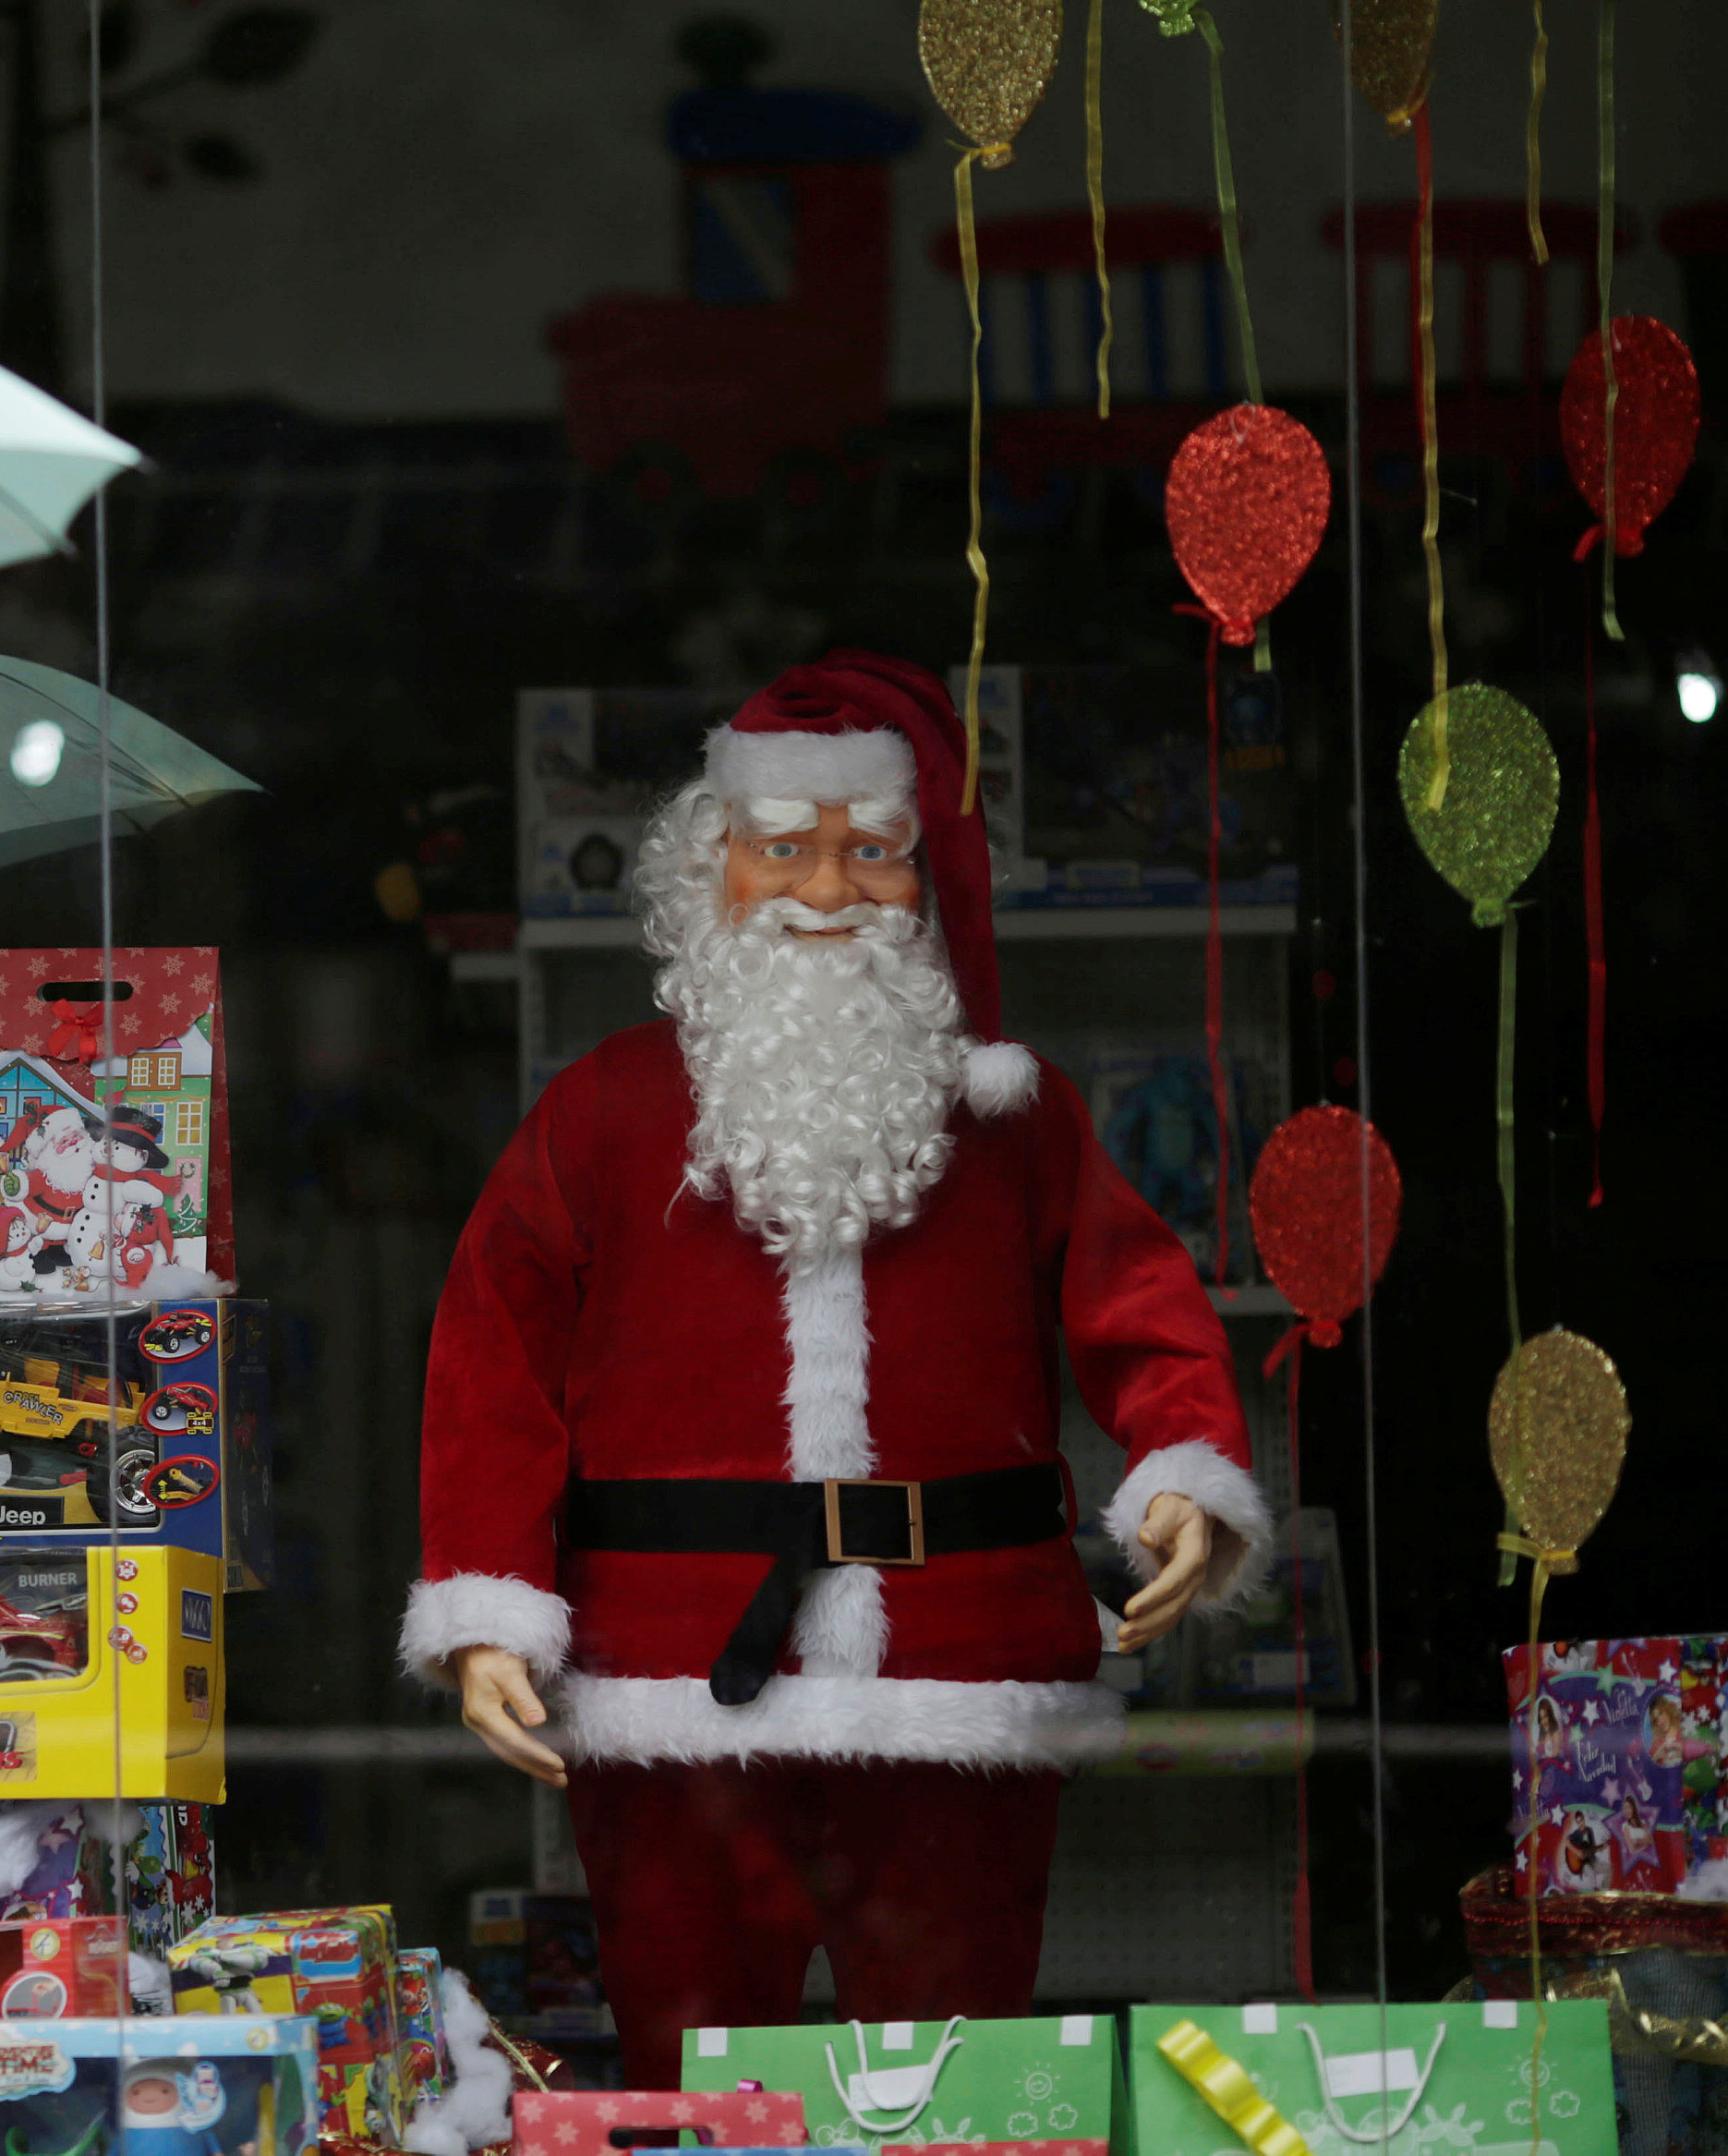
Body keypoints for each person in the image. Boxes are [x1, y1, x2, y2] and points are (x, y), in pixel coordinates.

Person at [401, 653, 1272, 2089]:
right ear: (713, 868)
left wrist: (1183, 1467)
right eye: (783, 845)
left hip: (958, 1673)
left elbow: (1136, 1297)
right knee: (691, 2074)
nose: (824, 885)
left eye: (871, 851)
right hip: (677, 1679)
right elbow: (492, 1355)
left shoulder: (1017, 1116)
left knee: (961, 2083)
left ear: (927, 883)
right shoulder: (605, 1109)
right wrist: (490, 1603)